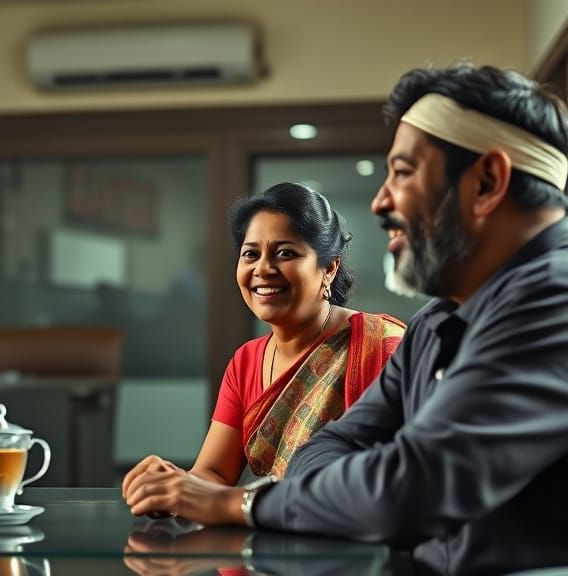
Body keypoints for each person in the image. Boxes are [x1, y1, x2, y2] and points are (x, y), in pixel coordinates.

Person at [123, 63, 568, 575]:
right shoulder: (435, 323)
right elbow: (331, 447)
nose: (381, 201)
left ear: (487, 182)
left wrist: (241, 503)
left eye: (403, 172)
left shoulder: (553, 301)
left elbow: (409, 487)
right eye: (250, 254)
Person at [123, 183, 405, 492]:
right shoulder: (246, 362)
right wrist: (175, 482)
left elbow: (408, 475)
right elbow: (214, 472)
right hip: (273, 520)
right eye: (251, 254)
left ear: (329, 268)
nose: (263, 268)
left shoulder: (382, 347)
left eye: (285, 253)